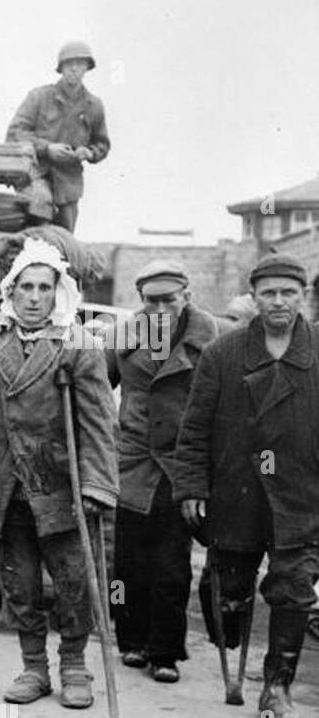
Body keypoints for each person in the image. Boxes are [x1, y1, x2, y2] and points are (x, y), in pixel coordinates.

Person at [0, 238, 118, 708]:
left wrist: (99, 483)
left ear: (57, 292)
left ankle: (75, 665)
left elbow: (100, 420)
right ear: (12, 290)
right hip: (6, 481)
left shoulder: (77, 341)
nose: (35, 297)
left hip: (61, 483)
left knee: (72, 578)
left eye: (45, 287)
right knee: (18, 581)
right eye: (27, 287)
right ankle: (34, 669)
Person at [174, 254, 319, 718]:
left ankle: (277, 688)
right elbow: (193, 429)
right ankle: (227, 611)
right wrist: (192, 485)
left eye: (289, 293)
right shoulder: (224, 353)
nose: (279, 302)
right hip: (237, 490)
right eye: (269, 293)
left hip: (301, 494)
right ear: (254, 298)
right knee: (228, 591)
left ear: (303, 297)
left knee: (294, 589)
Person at [106, 259, 218, 684]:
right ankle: (130, 640)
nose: (159, 309)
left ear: (186, 297)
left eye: (168, 300)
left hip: (180, 465)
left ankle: (165, 650)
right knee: (129, 563)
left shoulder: (209, 338)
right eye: (150, 301)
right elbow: (97, 387)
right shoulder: (123, 336)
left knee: (172, 565)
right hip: (132, 462)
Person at [7, 41, 111, 233]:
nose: (74, 69)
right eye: (69, 63)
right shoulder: (39, 97)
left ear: (87, 67)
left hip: (68, 185)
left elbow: (102, 143)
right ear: (61, 67)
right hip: (35, 177)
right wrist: (47, 148)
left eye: (80, 63)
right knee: (34, 233)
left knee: (64, 244)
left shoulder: (94, 106)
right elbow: (15, 134)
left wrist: (89, 152)